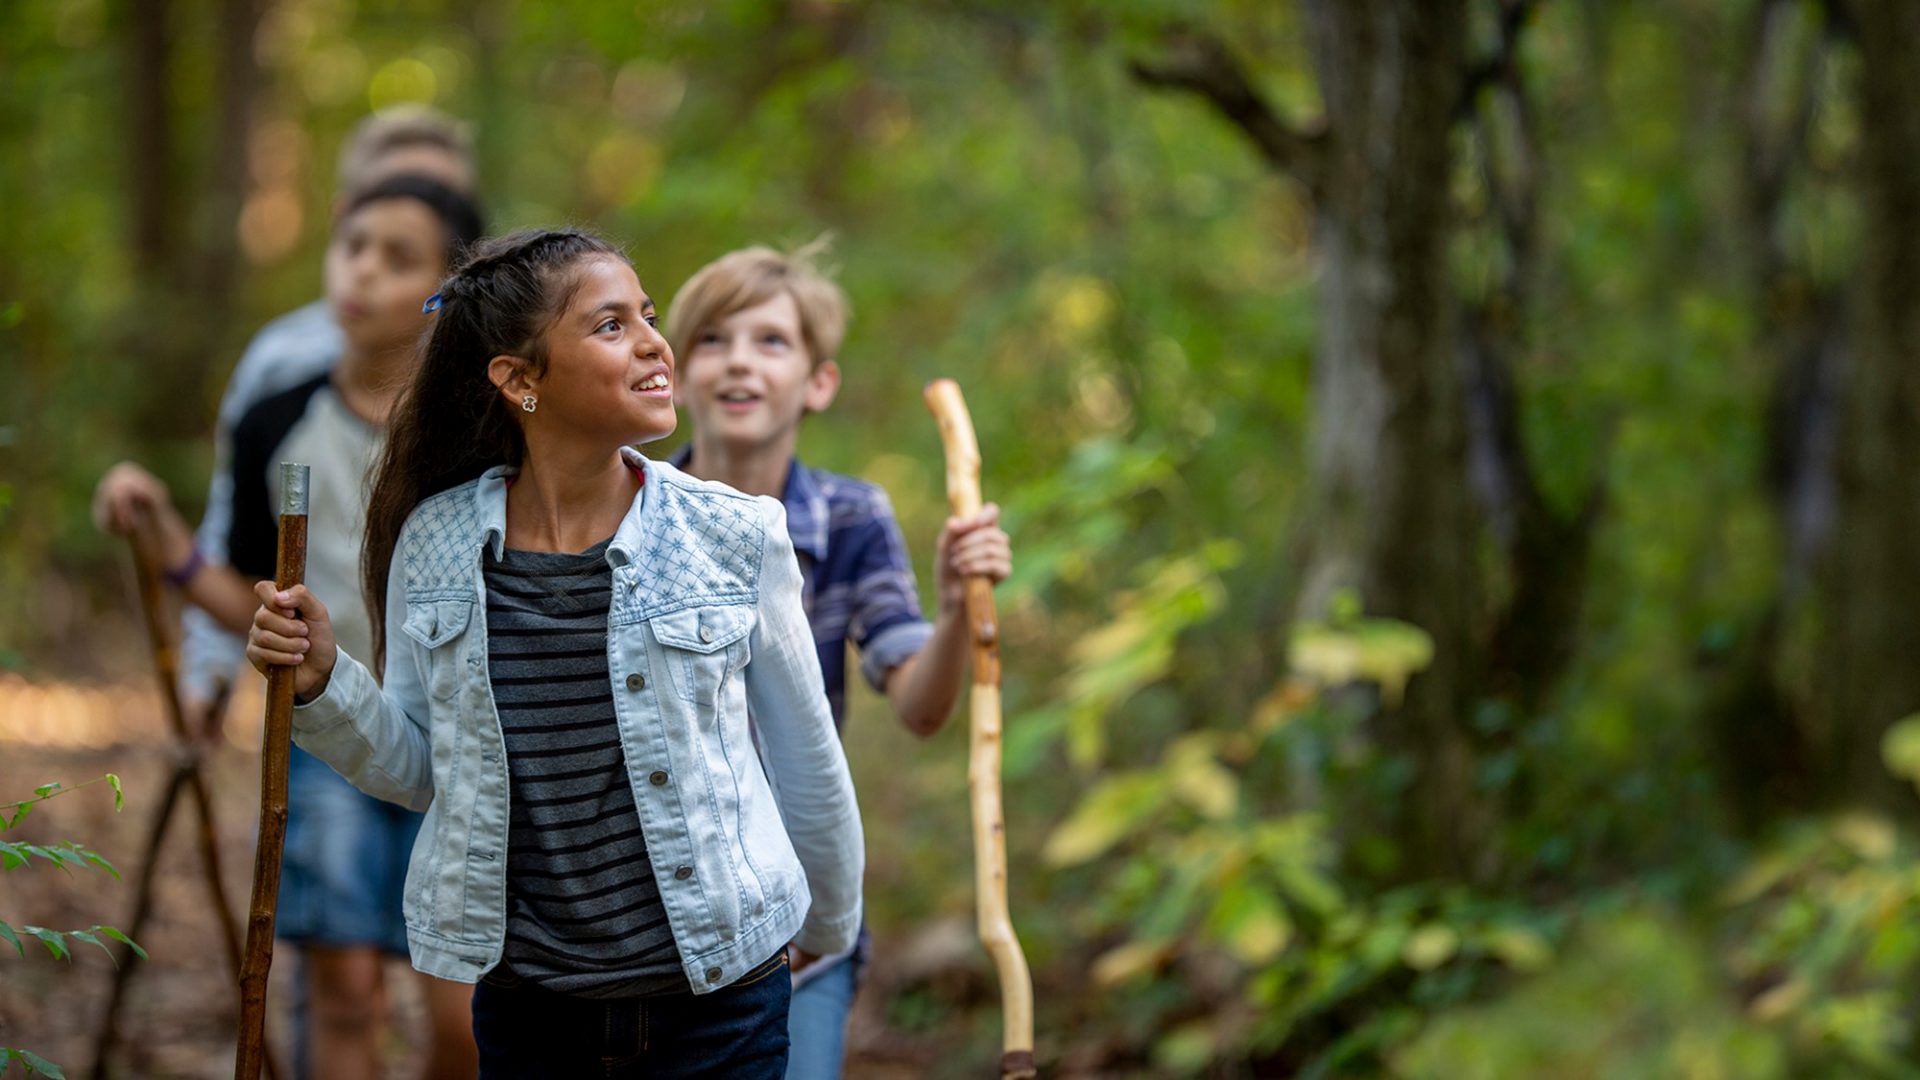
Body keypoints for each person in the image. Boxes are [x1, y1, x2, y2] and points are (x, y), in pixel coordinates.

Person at [243, 227, 865, 1079]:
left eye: (648, 317)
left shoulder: (733, 533)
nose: (655, 342)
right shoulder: (439, 542)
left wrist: (826, 933)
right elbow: (425, 769)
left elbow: (807, 758)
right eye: (611, 326)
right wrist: (324, 682)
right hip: (531, 1009)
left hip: (722, 996)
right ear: (520, 378)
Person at [95, 175, 486, 1079]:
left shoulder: (480, 434)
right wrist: (164, 539)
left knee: (460, 1017)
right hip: (322, 736)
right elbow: (247, 594)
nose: (362, 272)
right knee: (344, 992)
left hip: (466, 742)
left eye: (399, 258)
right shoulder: (277, 418)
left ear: (448, 288)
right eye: (352, 246)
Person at [664, 243, 1013, 1079]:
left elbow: (921, 706)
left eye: (772, 342)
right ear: (674, 376)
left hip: (800, 915)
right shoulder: (632, 509)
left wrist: (959, 605)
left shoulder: (852, 517)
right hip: (660, 913)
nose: (740, 360)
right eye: (712, 340)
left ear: (818, 383)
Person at [180, 105, 478, 710]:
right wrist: (206, 673)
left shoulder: (487, 406)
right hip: (331, 710)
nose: (366, 270)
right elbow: (233, 536)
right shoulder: (280, 371)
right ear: (343, 217)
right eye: (359, 240)